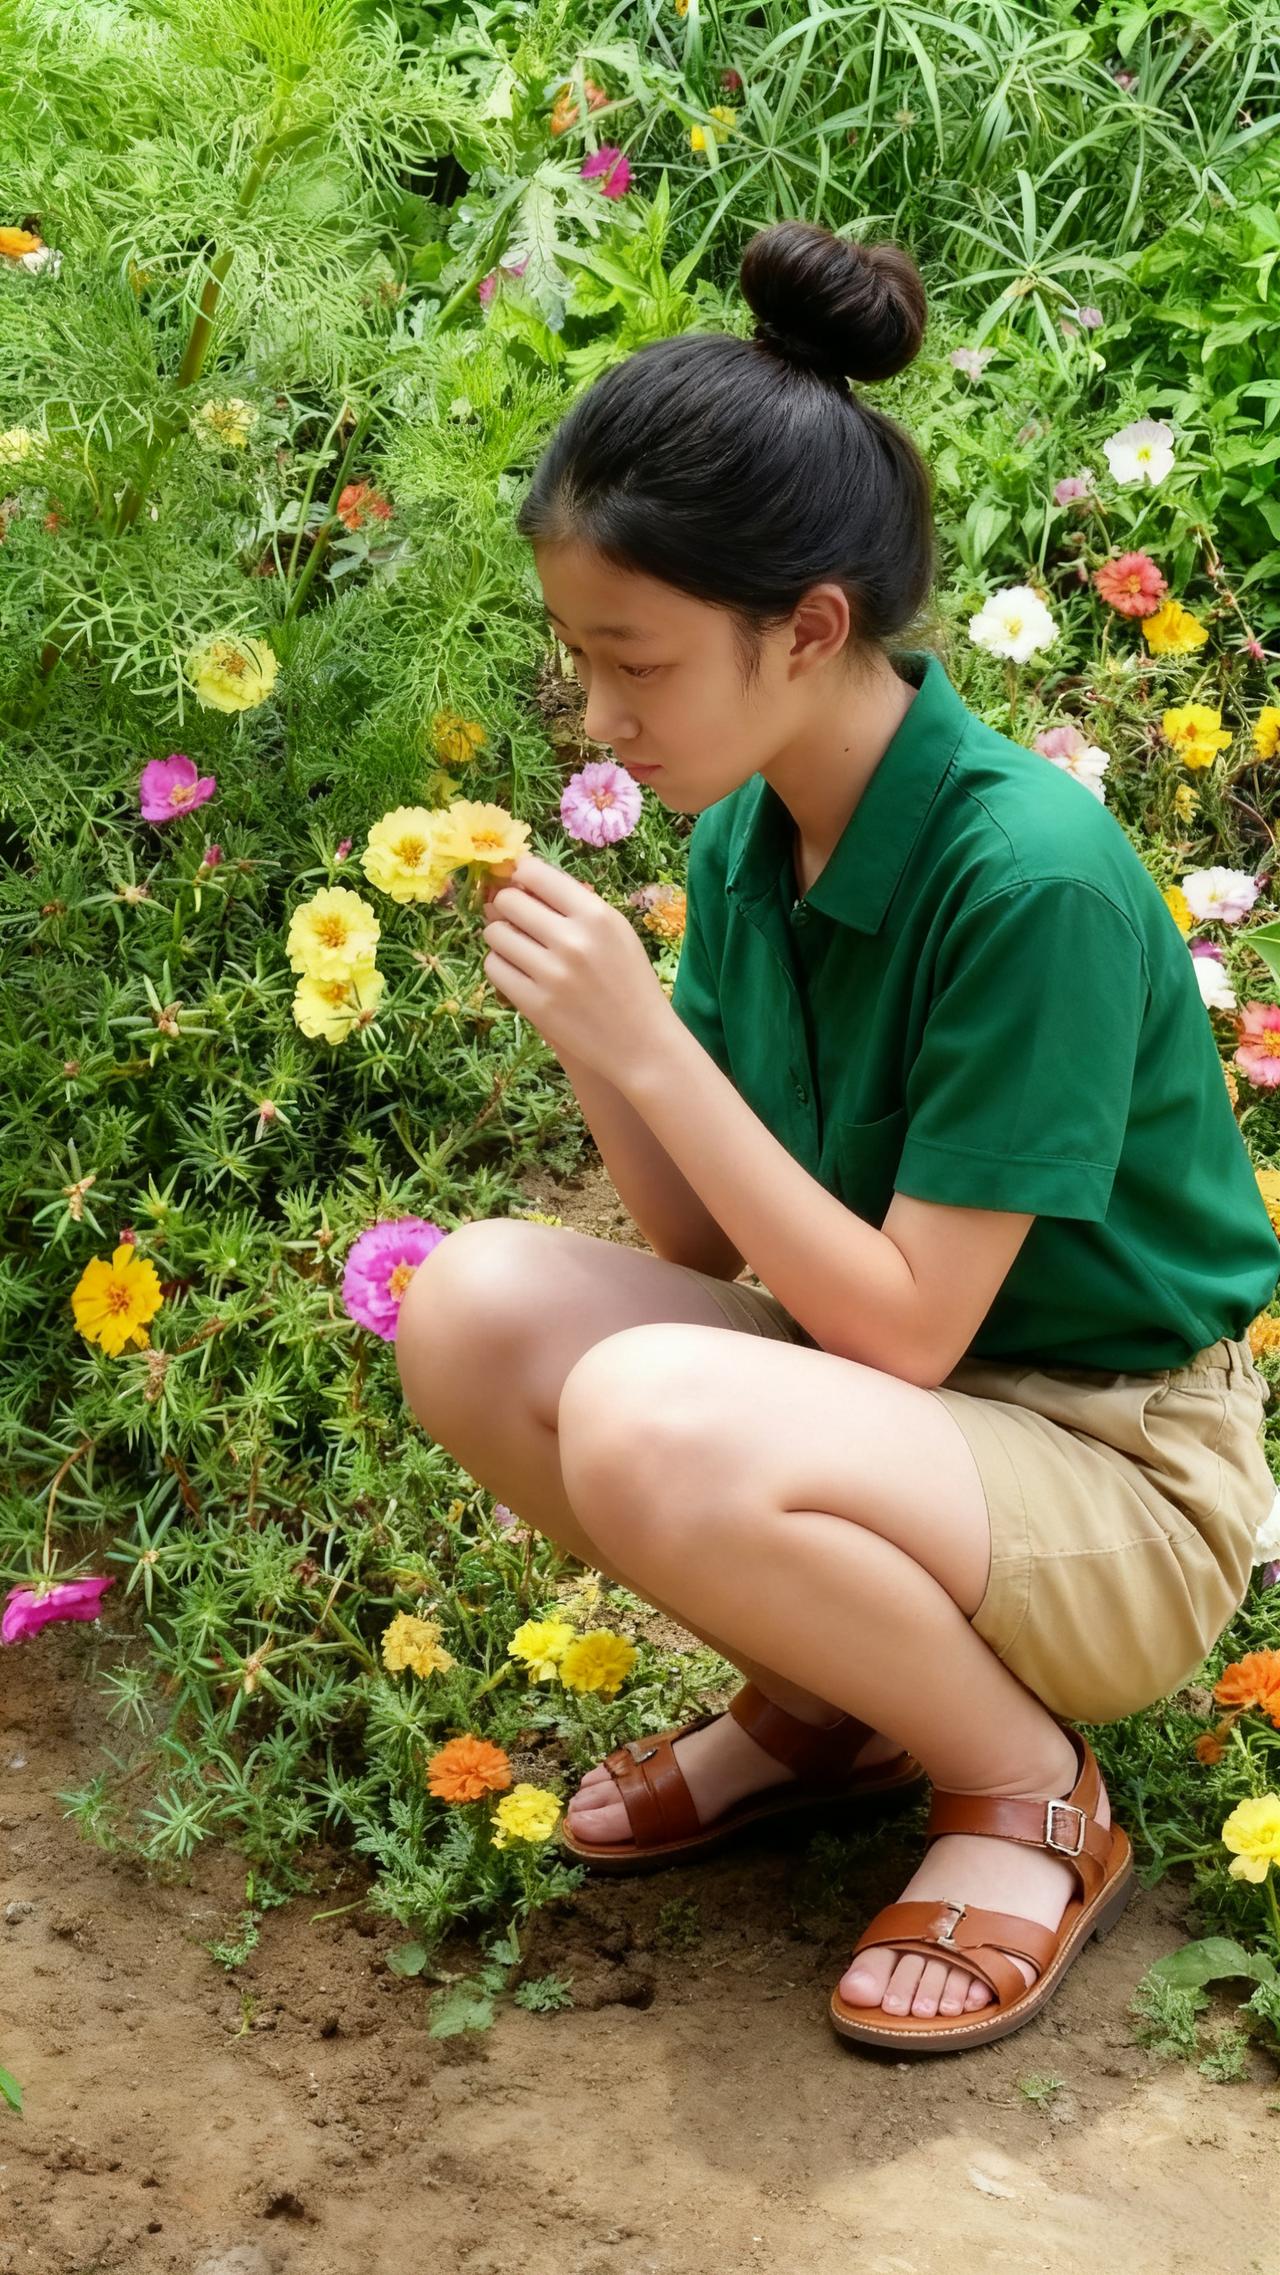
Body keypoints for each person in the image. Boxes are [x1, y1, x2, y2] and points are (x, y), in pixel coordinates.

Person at [394, 219, 1280, 2055]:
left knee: (649, 1411)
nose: (599, 715)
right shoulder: (747, 832)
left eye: (635, 663)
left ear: (806, 630)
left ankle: (1029, 1791)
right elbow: (701, 1240)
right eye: (576, 660)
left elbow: (902, 1333)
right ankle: (835, 1703)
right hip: (909, 1441)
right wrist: (598, 1042)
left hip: (1116, 1469)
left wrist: (651, 1033)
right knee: (471, 1310)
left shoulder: (1022, 875)